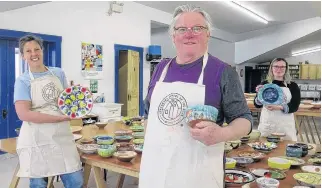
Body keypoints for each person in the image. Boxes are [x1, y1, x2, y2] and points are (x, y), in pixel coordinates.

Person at [139, 5, 252, 188]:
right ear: (173, 36)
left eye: (197, 28)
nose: (189, 34)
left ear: (208, 34)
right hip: (157, 169)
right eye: (182, 29)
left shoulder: (223, 72)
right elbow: (148, 113)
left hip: (200, 172)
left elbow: (245, 120)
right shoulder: (160, 68)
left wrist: (223, 133)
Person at [14, 35, 83, 188]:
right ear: (23, 55)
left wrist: (80, 99)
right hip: (36, 138)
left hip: (61, 136)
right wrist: (57, 118)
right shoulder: (22, 81)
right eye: (28, 51)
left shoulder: (58, 73)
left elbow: (67, 100)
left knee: (75, 180)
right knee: (39, 183)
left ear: (42, 51)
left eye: (37, 49)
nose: (34, 54)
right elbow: (24, 114)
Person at [254, 58, 301, 141]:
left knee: (286, 149)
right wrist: (259, 95)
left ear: (286, 69)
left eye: (282, 67)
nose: (279, 69)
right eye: (276, 66)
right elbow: (257, 104)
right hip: (268, 123)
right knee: (266, 148)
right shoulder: (265, 84)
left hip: (285, 125)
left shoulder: (292, 85)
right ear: (271, 68)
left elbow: (295, 105)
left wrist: (280, 107)